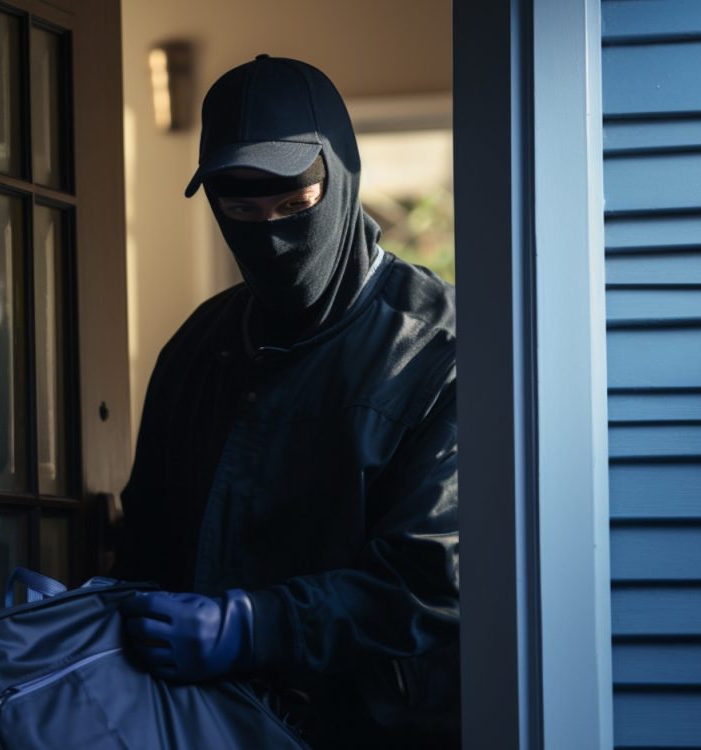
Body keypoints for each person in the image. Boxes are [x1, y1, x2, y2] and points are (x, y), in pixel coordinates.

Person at [112, 55, 460, 748]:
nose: (269, 232)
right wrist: (88, 612)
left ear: (344, 178)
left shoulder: (436, 349)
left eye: (295, 206)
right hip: (202, 727)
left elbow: (434, 581)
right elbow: (147, 540)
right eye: (240, 210)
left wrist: (252, 625)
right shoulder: (196, 351)